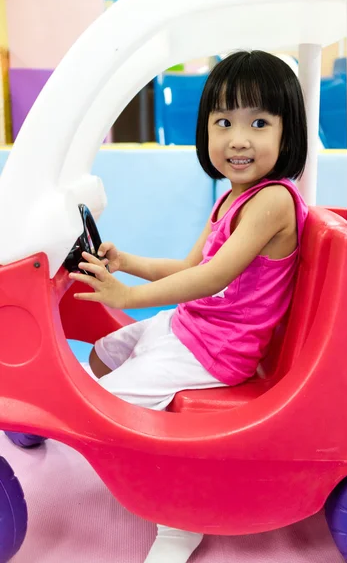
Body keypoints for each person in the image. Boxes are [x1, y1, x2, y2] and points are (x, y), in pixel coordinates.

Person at [69, 50, 309, 563]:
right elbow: (188, 265)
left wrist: (128, 296)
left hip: (218, 352)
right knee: (105, 352)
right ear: (206, 132)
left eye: (259, 123)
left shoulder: (274, 201)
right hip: (189, 328)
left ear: (288, 134)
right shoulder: (230, 197)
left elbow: (213, 277)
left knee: (103, 405)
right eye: (223, 122)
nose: (238, 138)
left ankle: (179, 519)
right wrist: (127, 261)